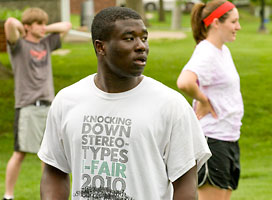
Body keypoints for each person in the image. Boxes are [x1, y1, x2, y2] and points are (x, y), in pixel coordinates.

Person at [38, 6, 211, 200]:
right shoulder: (67, 100)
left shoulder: (170, 105)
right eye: (129, 38)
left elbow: (186, 184)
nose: (141, 46)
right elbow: (55, 170)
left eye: (144, 38)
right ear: (100, 47)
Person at [177, 1, 244, 200]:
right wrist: (203, 100)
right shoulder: (206, 51)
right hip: (212, 139)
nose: (238, 27)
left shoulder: (222, 51)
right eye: (234, 22)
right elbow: (185, 81)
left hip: (228, 137)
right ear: (216, 23)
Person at [3, 7, 71, 200]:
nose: (43, 27)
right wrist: (25, 29)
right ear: (27, 26)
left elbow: (66, 25)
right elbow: (9, 23)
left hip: (49, 106)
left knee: (48, 156)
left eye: (44, 23)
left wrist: (43, 28)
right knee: (20, 153)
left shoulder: (46, 43)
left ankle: (47, 195)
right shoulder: (18, 45)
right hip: (27, 106)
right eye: (38, 24)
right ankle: (8, 195)